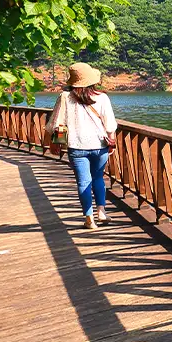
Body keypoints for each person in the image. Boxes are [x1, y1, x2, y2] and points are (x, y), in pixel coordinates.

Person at [47, 63, 119, 230]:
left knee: (83, 182)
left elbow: (57, 124)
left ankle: (89, 219)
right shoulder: (102, 97)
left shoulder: (65, 97)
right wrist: (112, 142)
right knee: (98, 178)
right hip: (99, 145)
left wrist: (53, 143)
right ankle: (101, 211)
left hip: (76, 146)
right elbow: (110, 125)